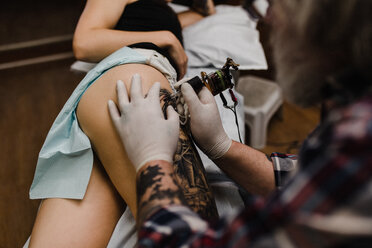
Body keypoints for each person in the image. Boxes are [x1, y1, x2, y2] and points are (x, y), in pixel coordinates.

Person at [108, 0, 372, 246]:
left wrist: (152, 161)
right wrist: (221, 146)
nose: (267, 18)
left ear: (328, 23)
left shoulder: (360, 143)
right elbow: (312, 182)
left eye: (277, 4)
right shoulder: (351, 113)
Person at [27, 0, 218, 247]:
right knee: (194, 237)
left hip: (114, 92)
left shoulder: (161, 11)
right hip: (134, 79)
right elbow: (84, 43)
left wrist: (196, 13)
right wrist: (167, 37)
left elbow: (203, 13)